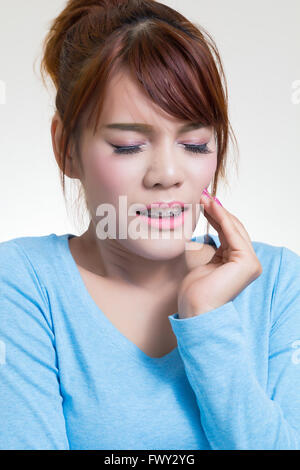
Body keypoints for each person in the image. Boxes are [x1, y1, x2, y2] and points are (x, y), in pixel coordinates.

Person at [0, 0, 300, 451]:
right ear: (66, 147)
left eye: (195, 144)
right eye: (128, 145)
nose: (167, 173)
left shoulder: (279, 284)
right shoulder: (21, 283)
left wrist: (207, 318)